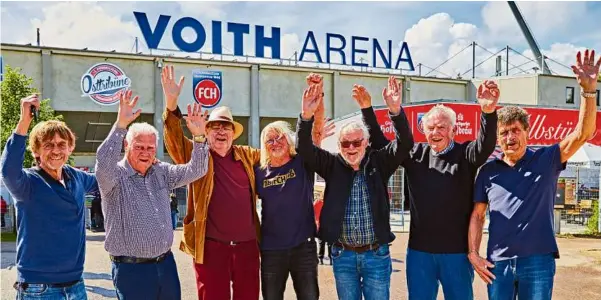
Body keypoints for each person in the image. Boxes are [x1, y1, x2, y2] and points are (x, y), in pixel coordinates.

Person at [468, 49, 600, 300]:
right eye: (504, 132)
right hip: (499, 264)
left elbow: (583, 133)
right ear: (498, 138)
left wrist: (588, 91)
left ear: (527, 132)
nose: (510, 137)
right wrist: (473, 253)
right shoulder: (488, 172)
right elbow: (477, 214)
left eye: (516, 130)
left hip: (538, 262)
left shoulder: (546, 159)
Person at [360, 76, 500, 300]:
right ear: (424, 131)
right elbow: (381, 144)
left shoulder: (465, 155)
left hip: (457, 253)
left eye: (442, 127)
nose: (436, 132)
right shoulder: (415, 154)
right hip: (420, 253)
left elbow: (485, 146)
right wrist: (372, 110)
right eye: (431, 127)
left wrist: (488, 111)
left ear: (453, 130)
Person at [296, 78, 414, 300]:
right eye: (345, 144)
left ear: (366, 142)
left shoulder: (380, 162)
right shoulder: (331, 164)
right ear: (339, 146)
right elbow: (303, 148)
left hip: (376, 255)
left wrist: (395, 110)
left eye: (356, 143)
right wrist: (306, 116)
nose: (351, 148)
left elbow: (405, 143)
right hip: (343, 256)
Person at [95, 90, 210, 299]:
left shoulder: (161, 171)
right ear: (126, 146)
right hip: (131, 271)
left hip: (165, 265)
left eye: (150, 148)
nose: (145, 152)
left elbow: (197, 169)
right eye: (139, 147)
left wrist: (200, 138)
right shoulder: (114, 177)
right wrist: (120, 126)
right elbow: (102, 164)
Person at [161, 65, 261, 300]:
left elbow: (279, 154)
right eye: (214, 127)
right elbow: (174, 140)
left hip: (248, 246)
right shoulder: (197, 155)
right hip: (211, 247)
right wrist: (171, 103)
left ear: (233, 132)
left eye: (225, 126)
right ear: (205, 132)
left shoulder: (248, 155)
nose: (220, 131)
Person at [1, 94, 98, 299]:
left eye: (62, 144)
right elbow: (8, 170)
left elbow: (108, 179)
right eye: (48, 145)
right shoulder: (27, 183)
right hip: (39, 288)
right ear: (36, 151)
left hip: (76, 286)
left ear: (70, 148)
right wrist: (24, 121)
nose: (56, 150)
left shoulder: (77, 177)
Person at [255, 74, 333, 300]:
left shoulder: (303, 162)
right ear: (264, 146)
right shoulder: (258, 172)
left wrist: (317, 95)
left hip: (304, 247)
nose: (275, 142)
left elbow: (316, 130)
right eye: (269, 140)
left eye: (279, 137)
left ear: (289, 141)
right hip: (271, 250)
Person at [313, 195, 331, 265]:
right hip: (327, 225)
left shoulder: (316, 202)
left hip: (319, 225)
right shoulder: (328, 203)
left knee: (321, 243)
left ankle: (320, 259)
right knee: (329, 243)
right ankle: (331, 259)